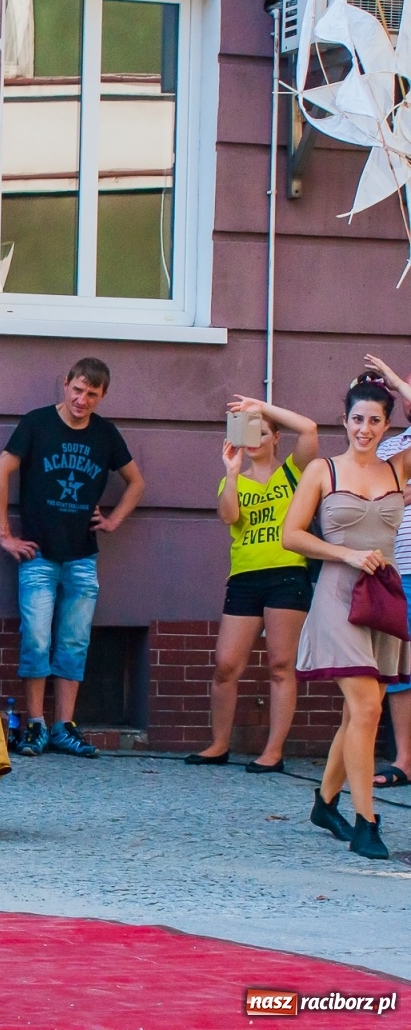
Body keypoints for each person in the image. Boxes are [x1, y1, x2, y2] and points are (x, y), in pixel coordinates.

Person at [0, 358, 144, 759]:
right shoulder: (37, 424)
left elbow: (136, 482)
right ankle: (36, 724)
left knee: (74, 641)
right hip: (38, 553)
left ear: (102, 396)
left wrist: (112, 521)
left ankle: (64, 726)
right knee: (37, 639)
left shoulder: (105, 434)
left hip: (82, 557)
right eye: (78, 389)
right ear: (66, 384)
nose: (82, 399)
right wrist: (5, 535)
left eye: (92, 393)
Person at [283, 374, 410, 861]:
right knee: (367, 708)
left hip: (381, 598)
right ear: (344, 421)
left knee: (359, 711)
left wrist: (398, 383)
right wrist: (345, 554)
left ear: (386, 425)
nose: (364, 428)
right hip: (337, 595)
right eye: (357, 419)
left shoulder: (398, 469)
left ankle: (324, 802)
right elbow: (291, 536)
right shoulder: (323, 470)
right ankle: (367, 822)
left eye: (374, 420)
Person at [184, 396, 318, 772]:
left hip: (288, 573)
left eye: (262, 432)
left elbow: (308, 429)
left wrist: (261, 406)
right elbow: (229, 517)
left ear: (276, 437)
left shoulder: (295, 470)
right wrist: (230, 471)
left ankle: (273, 751)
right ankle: (219, 744)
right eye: (249, 433)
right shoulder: (236, 478)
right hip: (244, 577)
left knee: (280, 664)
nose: (255, 440)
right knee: (226, 665)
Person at [364, 354, 411, 793]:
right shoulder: (392, 449)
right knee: (399, 672)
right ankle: (405, 759)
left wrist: (396, 378)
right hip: (400, 572)